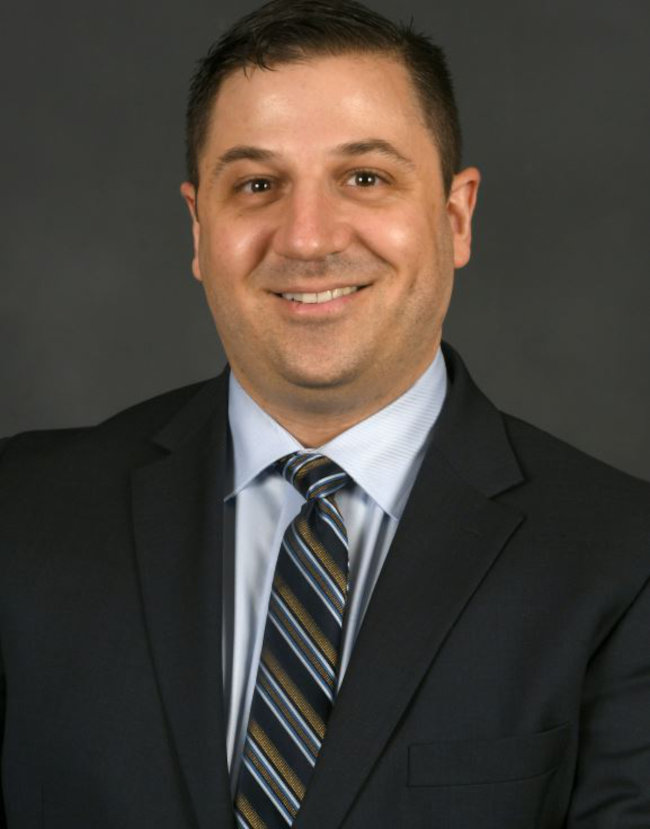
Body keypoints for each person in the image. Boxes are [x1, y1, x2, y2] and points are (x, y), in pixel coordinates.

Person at [1, 0, 649, 825]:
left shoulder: (625, 559)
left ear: (456, 217)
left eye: (365, 178)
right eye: (258, 184)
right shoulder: (20, 514)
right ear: (198, 228)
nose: (307, 239)